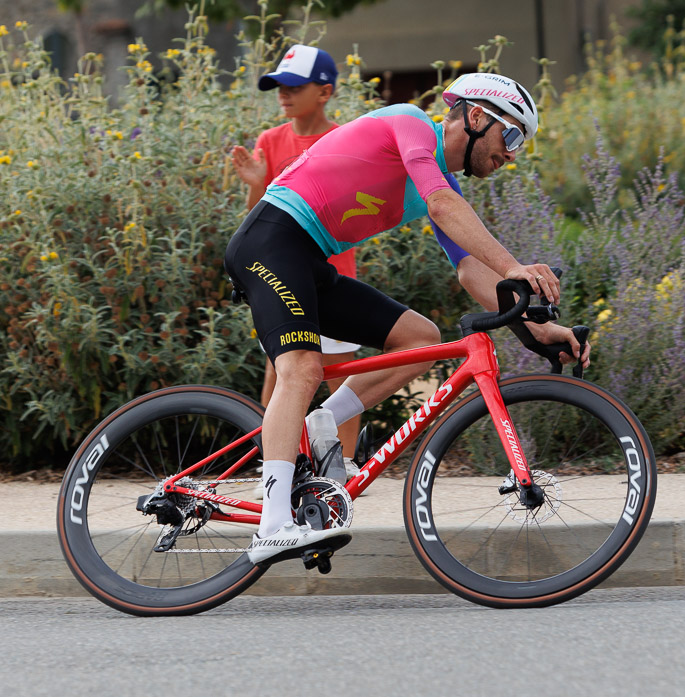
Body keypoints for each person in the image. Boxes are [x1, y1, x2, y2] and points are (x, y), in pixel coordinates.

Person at [225, 72, 590, 563]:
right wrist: (516, 267)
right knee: (303, 369)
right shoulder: (410, 123)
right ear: (477, 116)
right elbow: (443, 207)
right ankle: (272, 525)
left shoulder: (439, 181)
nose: (512, 154)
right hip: (270, 241)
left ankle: (317, 427)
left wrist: (537, 329)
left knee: (421, 338)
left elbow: (469, 271)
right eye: (512, 135)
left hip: (308, 260)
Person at [229, 44, 363, 484]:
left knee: (341, 378)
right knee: (281, 372)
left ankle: (339, 470)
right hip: (285, 276)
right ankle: (276, 464)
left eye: (294, 86)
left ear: (325, 92)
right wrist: (254, 183)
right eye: (278, 86)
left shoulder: (345, 139)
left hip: (334, 275)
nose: (283, 94)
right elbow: (259, 216)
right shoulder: (270, 141)